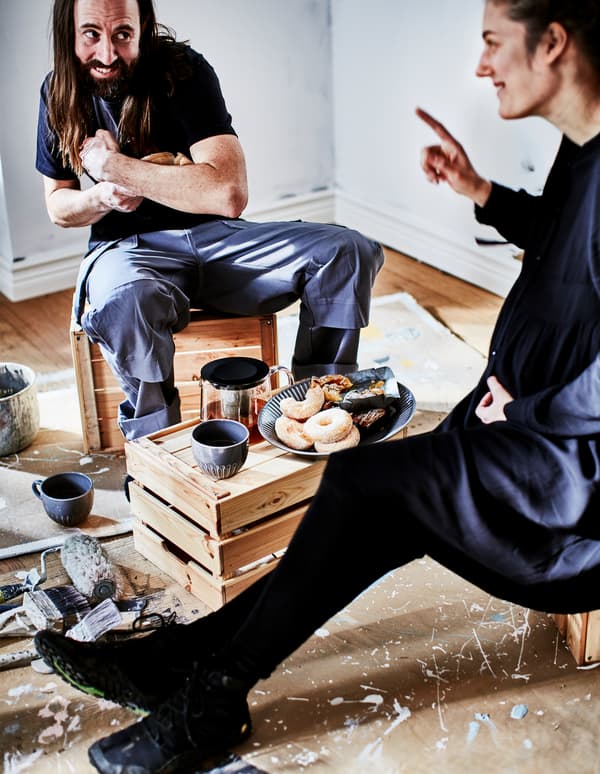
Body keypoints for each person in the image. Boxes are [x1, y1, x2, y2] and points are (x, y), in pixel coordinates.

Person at [35, 1, 600, 772]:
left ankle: (210, 698)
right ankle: (182, 661)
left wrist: (533, 406)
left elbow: (226, 191)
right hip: (523, 427)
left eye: (492, 42)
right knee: (367, 505)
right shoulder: (585, 150)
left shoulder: (180, 73)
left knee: (363, 490)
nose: (480, 65)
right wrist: (481, 192)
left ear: (555, 43)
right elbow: (571, 239)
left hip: (568, 481)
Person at [36, 0, 384, 443]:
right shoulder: (57, 92)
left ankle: (319, 415)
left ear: (142, 26)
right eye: (91, 35)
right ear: (69, 32)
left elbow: (228, 193)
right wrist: (103, 195)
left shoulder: (182, 71)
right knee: (126, 300)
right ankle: (157, 451)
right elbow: (58, 205)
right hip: (127, 250)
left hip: (217, 239)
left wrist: (116, 167)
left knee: (346, 251)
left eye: (122, 34)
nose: (107, 53)